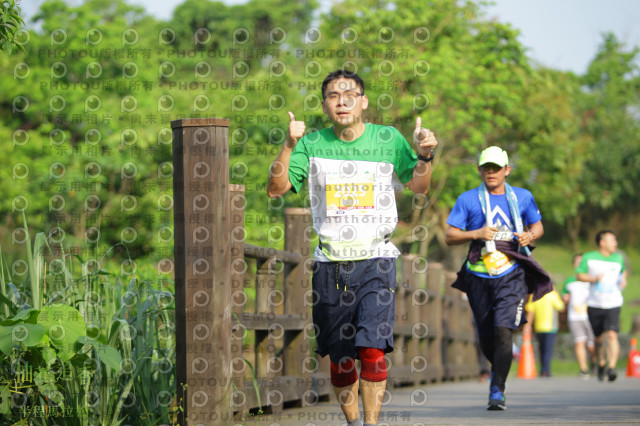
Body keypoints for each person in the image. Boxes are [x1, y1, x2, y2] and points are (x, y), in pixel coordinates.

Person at [267, 69, 438, 426]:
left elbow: (419, 187)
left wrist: (424, 157)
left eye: (349, 94)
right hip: (331, 264)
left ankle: (371, 425)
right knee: (342, 358)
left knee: (372, 349)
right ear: (326, 104)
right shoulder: (312, 144)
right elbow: (276, 188)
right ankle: (352, 422)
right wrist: (288, 145)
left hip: (376, 259)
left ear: (363, 102)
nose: (341, 100)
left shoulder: (388, 139)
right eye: (333, 95)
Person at [445, 146, 552, 411]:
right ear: (479, 170)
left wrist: (531, 235)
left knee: (504, 331)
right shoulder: (468, 199)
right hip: (479, 274)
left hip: (512, 273)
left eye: (496, 168)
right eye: (486, 168)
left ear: (507, 170)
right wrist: (477, 233)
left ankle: (497, 389)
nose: (491, 173)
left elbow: (537, 225)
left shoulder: (523, 197)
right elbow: (450, 236)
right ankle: (498, 371)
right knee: (486, 336)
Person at [576, 230, 627, 382]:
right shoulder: (589, 258)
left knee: (612, 334)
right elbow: (579, 275)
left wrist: (623, 280)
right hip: (594, 303)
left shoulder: (618, 258)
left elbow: (622, 273)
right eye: (612, 240)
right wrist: (594, 278)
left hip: (613, 302)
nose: (615, 243)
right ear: (602, 242)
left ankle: (611, 367)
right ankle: (601, 362)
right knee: (598, 339)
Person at [560, 254, 596, 379]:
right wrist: (565, 298)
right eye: (577, 262)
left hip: (590, 316)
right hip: (575, 316)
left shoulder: (592, 279)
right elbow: (564, 295)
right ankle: (583, 369)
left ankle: (594, 363)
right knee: (579, 343)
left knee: (592, 345)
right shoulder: (569, 281)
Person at [524, 286, 565, 377]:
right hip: (551, 327)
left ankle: (543, 369)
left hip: (539, 327)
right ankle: (546, 370)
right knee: (548, 350)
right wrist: (557, 293)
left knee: (541, 349)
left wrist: (528, 325)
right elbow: (561, 307)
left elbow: (531, 311)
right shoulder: (552, 295)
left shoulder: (535, 295)